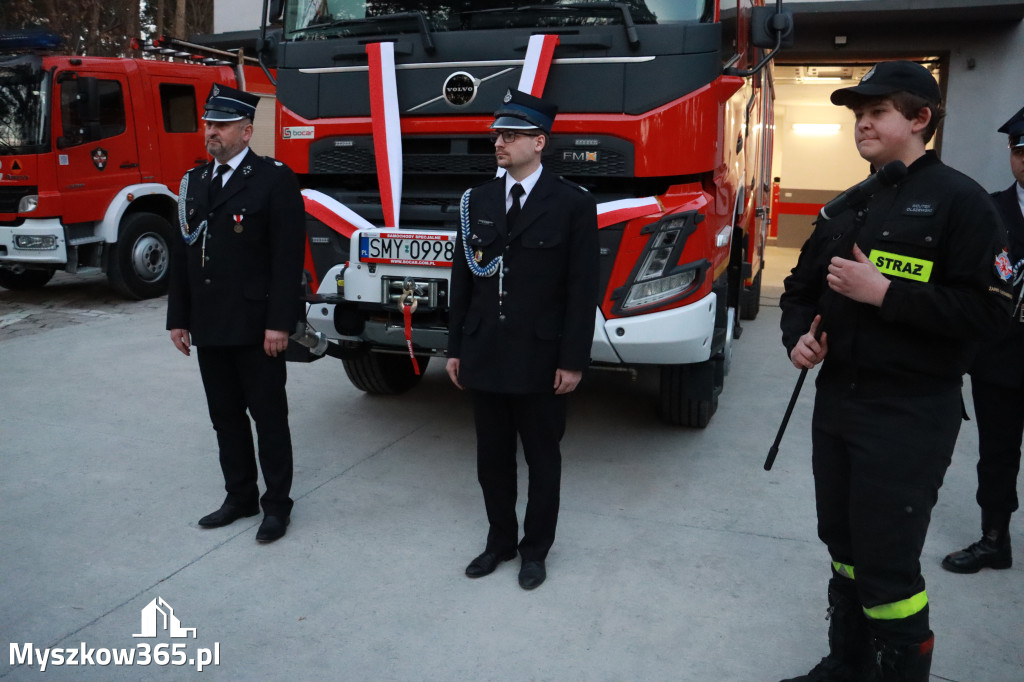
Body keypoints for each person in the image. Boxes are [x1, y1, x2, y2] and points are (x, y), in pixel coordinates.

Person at [778, 61, 1012, 681]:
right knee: (845, 549)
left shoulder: (963, 203)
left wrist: (886, 294)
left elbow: (992, 313)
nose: (862, 123)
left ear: (919, 119)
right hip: (838, 404)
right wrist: (797, 337)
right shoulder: (851, 205)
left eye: (877, 111)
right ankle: (847, 664)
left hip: (909, 412)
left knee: (887, 565)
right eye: (858, 113)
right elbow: (799, 290)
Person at [446, 89, 599, 590]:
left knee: (542, 459)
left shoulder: (572, 204)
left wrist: (572, 360)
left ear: (540, 141)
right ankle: (499, 541)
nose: (499, 142)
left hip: (540, 357)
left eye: (510, 135)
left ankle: (535, 550)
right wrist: (455, 348)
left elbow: (581, 291)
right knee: (491, 458)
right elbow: (462, 282)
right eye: (497, 134)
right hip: (485, 351)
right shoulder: (477, 201)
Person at [166, 84, 306, 544]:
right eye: (209, 124)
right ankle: (240, 496)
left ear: (246, 131)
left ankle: (276, 506)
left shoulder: (273, 180)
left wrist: (280, 323)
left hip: (256, 326)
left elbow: (288, 260)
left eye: (222, 125)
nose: (212, 132)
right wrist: (178, 317)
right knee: (224, 416)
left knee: (268, 417)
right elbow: (185, 254)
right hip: (210, 323)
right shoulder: (196, 182)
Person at [942, 106, 1024, 574]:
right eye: (1020, 149)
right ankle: (994, 539)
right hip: (1002, 356)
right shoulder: (989, 209)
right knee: (997, 453)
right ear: (1011, 153)